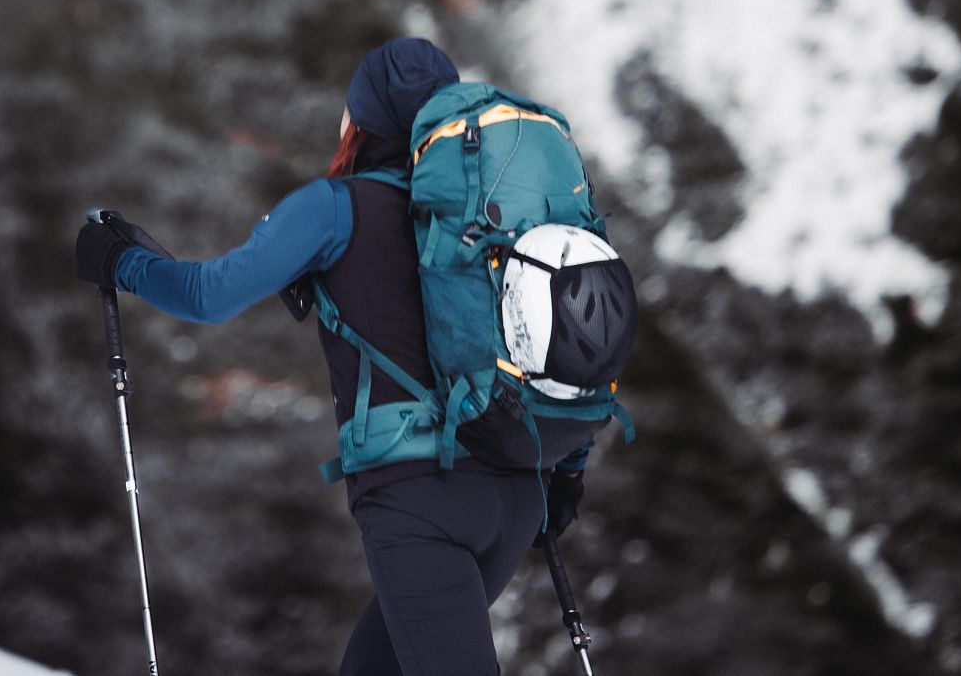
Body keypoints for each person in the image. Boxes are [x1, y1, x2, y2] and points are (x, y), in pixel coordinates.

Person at [73, 38, 604, 676]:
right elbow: (570, 343)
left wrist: (119, 259)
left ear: (359, 122)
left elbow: (206, 295)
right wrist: (567, 475)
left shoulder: (335, 208)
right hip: (516, 498)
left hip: (418, 508)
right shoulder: (494, 222)